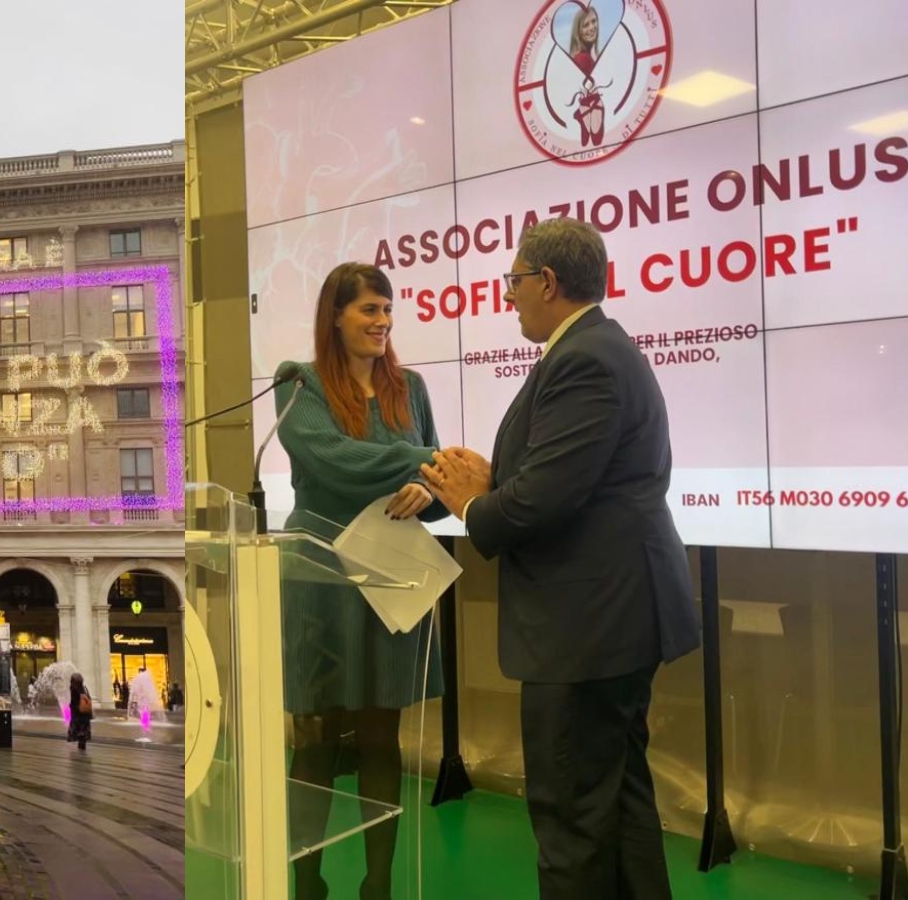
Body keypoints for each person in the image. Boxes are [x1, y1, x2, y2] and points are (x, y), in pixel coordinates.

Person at [422, 217, 701, 900]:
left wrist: (472, 504)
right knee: (618, 802)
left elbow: (537, 506)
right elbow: (564, 482)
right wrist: (496, 482)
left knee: (572, 817)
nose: (508, 296)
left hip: (590, 628)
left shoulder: (586, 359)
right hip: (607, 619)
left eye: (513, 281)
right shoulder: (592, 350)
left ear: (547, 282)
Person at [275, 261, 449, 900]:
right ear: (336, 315)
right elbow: (329, 458)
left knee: (382, 734)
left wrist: (424, 487)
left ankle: (379, 885)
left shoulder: (413, 388)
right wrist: (419, 461)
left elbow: (440, 487)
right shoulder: (299, 383)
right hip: (321, 578)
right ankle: (307, 882)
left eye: (387, 309)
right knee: (316, 735)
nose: (382, 322)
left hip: (393, 571)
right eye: (368, 310)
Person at [67, 672, 93, 751]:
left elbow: (73, 703)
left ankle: (81, 747)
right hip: (85, 714)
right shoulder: (84, 688)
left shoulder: (73, 689)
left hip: (77, 714)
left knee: (78, 730)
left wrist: (68, 711)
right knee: (83, 731)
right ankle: (82, 745)